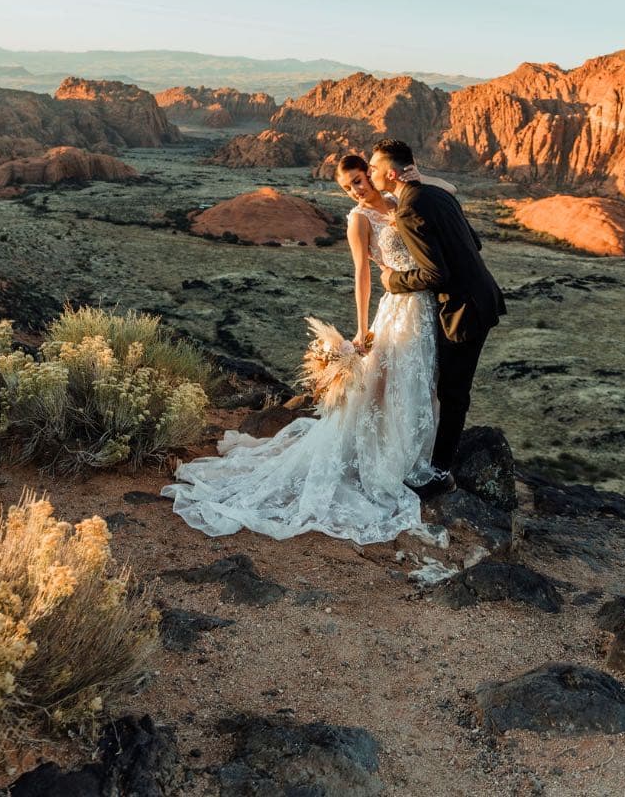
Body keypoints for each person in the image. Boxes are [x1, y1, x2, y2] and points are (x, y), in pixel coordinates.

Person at [161, 154, 440, 545]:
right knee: (386, 385)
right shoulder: (358, 219)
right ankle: (379, 464)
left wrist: (421, 177)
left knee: (414, 383)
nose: (356, 191)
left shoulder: (400, 200)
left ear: (370, 174)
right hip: (396, 307)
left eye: (359, 181)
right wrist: (361, 331)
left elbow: (448, 194)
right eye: (347, 187)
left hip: (424, 305)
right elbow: (362, 273)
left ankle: (407, 457)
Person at [367, 138, 506, 500]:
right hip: (481, 298)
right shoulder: (437, 195)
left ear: (392, 173)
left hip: (465, 309)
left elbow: (435, 274)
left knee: (453, 391)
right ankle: (437, 462)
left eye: (373, 168)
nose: (370, 173)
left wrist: (392, 280)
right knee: (450, 388)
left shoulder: (408, 210)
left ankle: (440, 473)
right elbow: (475, 243)